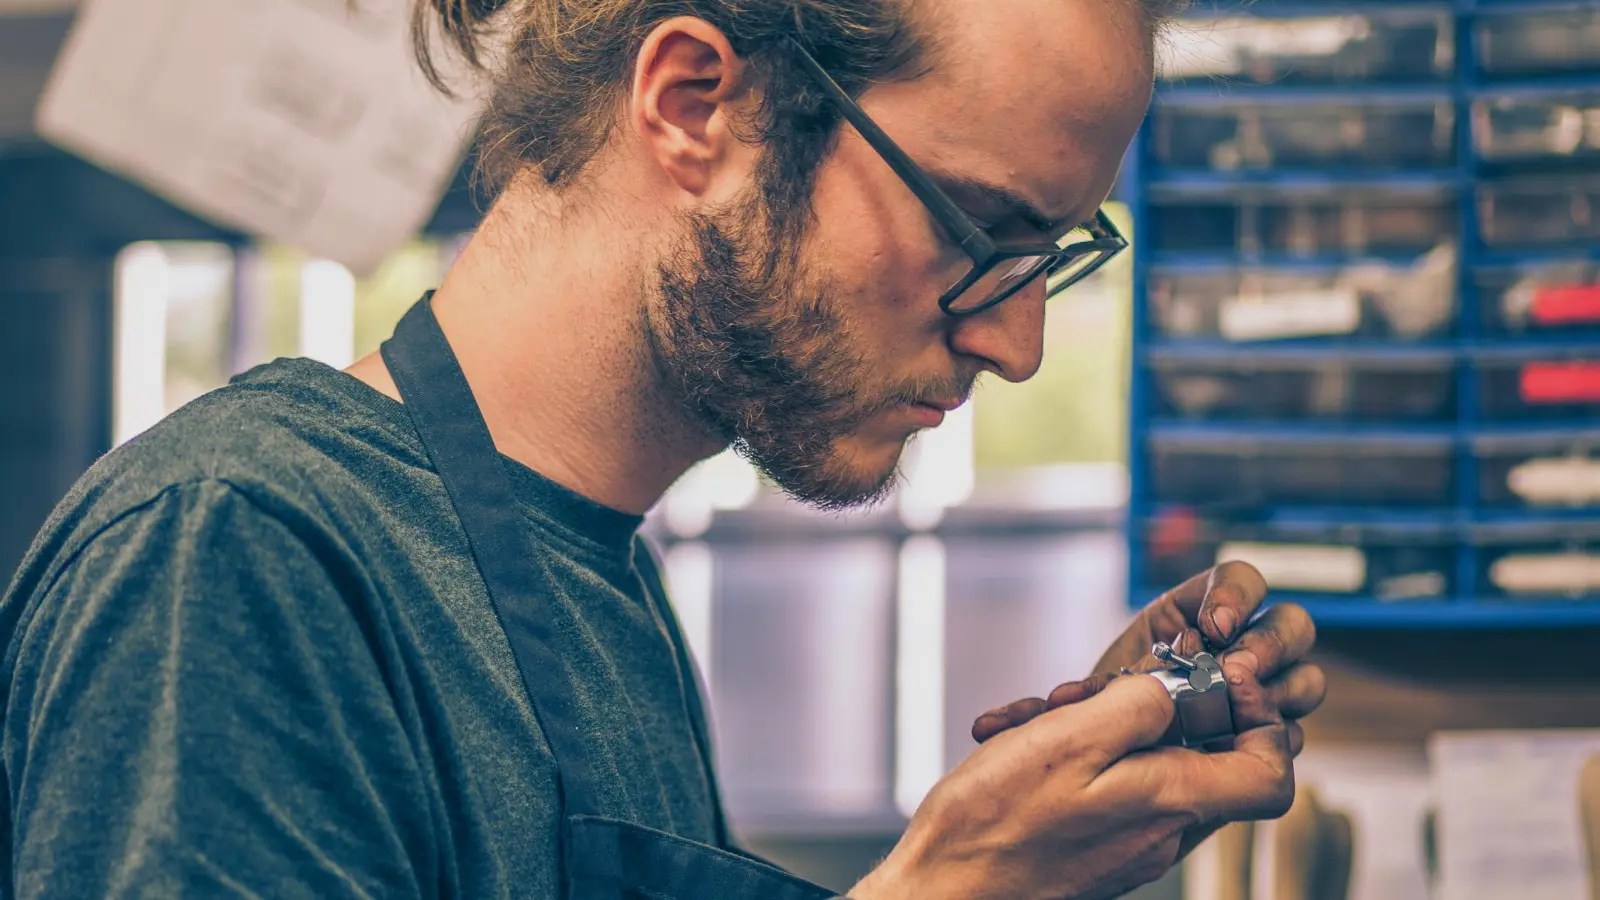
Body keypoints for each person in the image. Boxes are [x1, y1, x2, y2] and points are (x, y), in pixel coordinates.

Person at [0, 0, 1326, 896]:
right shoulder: (238, 555)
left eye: (1056, 259)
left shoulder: (598, 592)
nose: (1020, 344)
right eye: (980, 234)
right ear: (694, 103)